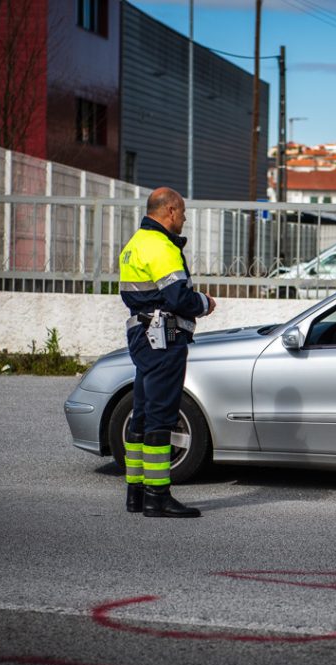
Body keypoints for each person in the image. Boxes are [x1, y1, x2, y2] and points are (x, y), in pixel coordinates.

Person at [119, 187, 216, 518]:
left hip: (142, 334)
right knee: (162, 415)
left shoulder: (134, 245)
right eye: (183, 212)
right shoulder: (161, 247)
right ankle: (157, 497)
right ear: (170, 211)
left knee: (142, 414)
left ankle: (136, 492)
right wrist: (205, 303)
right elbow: (178, 298)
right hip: (165, 335)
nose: (185, 218)